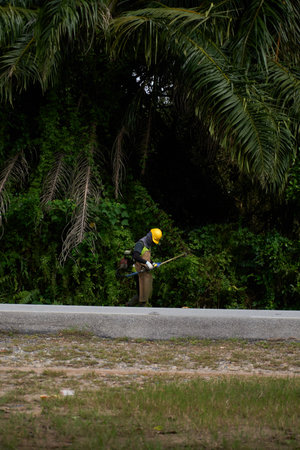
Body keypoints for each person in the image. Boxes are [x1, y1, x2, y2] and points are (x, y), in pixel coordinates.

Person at [126, 228, 162, 306]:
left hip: (144, 271)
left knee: (145, 292)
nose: (153, 242)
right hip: (137, 271)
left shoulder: (148, 245)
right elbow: (136, 256)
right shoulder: (140, 243)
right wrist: (146, 263)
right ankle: (133, 307)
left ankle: (131, 306)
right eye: (153, 240)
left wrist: (152, 263)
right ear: (150, 236)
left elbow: (146, 257)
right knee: (142, 293)